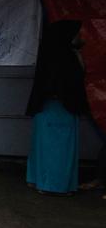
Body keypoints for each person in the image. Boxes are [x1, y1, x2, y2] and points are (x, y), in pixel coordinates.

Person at [25, 21, 87, 195]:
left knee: (48, 147)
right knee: (57, 150)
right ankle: (54, 184)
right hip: (59, 109)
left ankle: (43, 181)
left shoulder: (55, 54)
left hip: (52, 110)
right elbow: (68, 83)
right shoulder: (63, 58)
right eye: (77, 34)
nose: (80, 37)